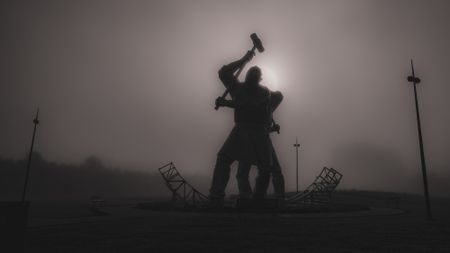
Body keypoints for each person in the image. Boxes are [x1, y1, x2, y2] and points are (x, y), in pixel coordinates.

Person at [209, 50, 279, 205]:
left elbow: (251, 105)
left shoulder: (264, 92)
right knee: (223, 159)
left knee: (265, 168)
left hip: (258, 132)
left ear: (260, 79)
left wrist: (226, 103)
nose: (253, 75)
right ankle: (216, 195)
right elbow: (224, 72)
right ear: (246, 75)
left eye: (256, 74)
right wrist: (243, 60)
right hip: (241, 130)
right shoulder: (237, 88)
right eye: (250, 72)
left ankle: (258, 197)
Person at [235, 91, 285, 200]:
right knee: (243, 171)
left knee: (273, 170)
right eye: (276, 101)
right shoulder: (261, 105)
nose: (276, 104)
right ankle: (247, 196)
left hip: (260, 140)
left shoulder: (269, 108)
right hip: (251, 140)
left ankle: (276, 197)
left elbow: (265, 128)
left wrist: (272, 129)